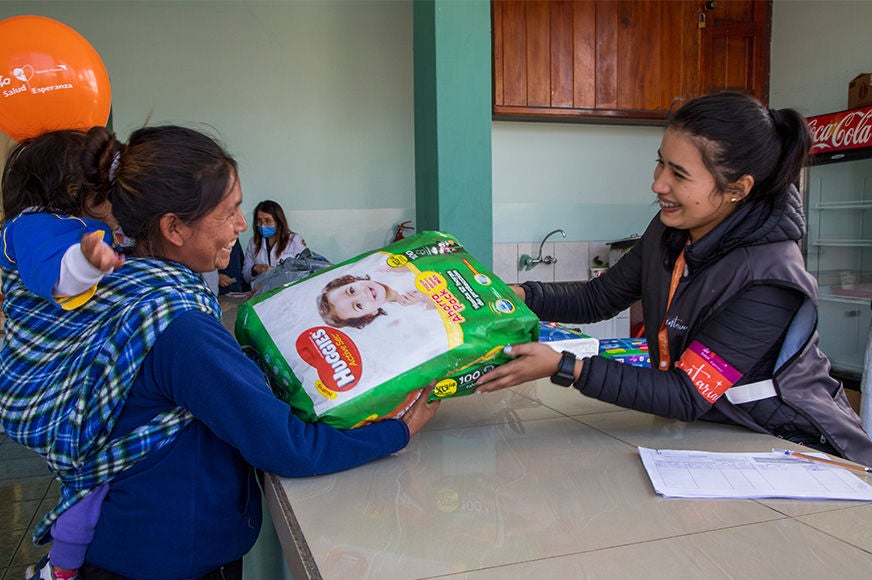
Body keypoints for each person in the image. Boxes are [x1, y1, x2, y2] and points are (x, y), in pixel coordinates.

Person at [0, 124, 439, 579]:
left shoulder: (120, 287)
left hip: (124, 542)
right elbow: (284, 444)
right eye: (228, 211)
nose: (242, 225)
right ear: (173, 227)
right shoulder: (174, 323)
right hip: (165, 559)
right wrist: (397, 432)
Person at [476, 91, 872, 467]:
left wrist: (566, 367)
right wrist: (512, 293)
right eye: (660, 162)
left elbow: (686, 393)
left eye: (679, 174)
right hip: (714, 432)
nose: (658, 183)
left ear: (737, 189)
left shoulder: (768, 276)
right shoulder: (672, 231)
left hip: (786, 442)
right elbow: (598, 298)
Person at [1, 129, 126, 580]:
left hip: (66, 372)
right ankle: (61, 569)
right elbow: (56, 277)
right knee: (91, 479)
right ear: (74, 189)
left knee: (90, 478)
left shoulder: (73, 225)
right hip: (41, 379)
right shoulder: (33, 226)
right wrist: (89, 262)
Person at [317, 269, 434, 329]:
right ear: (370, 314)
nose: (363, 295)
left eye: (352, 290)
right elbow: (441, 306)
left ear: (352, 281)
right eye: (358, 305)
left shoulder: (384, 272)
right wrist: (423, 297)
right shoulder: (403, 308)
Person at [242, 199, 307, 284]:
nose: (262, 225)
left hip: (288, 292)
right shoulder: (253, 242)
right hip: (263, 293)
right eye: (259, 220)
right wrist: (255, 269)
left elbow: (306, 271)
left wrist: (282, 272)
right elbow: (245, 276)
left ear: (278, 221)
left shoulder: (294, 240)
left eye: (267, 221)